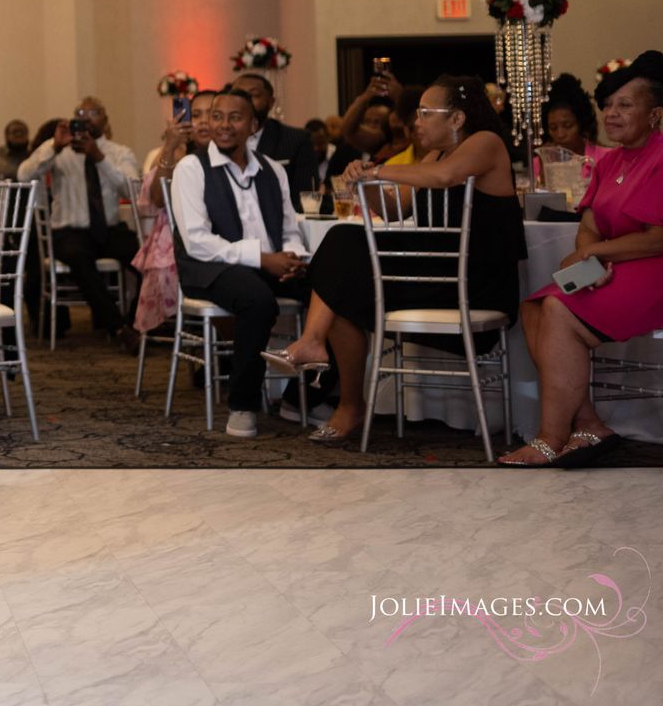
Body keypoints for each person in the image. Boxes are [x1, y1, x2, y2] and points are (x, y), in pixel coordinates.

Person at [284, 76, 525, 446]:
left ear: (457, 119)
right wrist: (365, 185)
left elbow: (446, 178)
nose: (417, 122)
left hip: (478, 281)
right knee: (342, 261)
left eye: (427, 113)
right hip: (437, 271)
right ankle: (337, 382)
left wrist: (377, 170)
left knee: (342, 256)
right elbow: (395, 210)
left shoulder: (485, 143)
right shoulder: (433, 156)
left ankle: (320, 356)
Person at [503, 52, 663, 467]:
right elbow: (590, 222)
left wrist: (594, 253)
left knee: (558, 307)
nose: (611, 113)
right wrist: (587, 256)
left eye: (625, 105)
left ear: (655, 114)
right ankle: (589, 423)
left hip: (653, 268)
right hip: (615, 265)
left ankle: (549, 438)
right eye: (608, 105)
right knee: (534, 305)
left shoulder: (661, 157)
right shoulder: (609, 161)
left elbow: (655, 240)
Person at [169, 89, 309, 437]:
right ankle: (243, 405)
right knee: (257, 300)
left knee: (336, 289)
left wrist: (293, 257)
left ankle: (304, 397)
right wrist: (262, 259)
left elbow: (289, 227)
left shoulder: (273, 169)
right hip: (210, 267)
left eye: (235, 117)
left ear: (254, 125)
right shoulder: (192, 167)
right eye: (217, 117)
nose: (224, 125)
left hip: (270, 263)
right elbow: (197, 241)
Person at [17, 100, 142, 350]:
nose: (86, 119)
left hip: (109, 229)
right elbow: (23, 175)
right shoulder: (58, 149)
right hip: (69, 232)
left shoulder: (119, 152)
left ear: (105, 121)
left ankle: (136, 324)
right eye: (80, 114)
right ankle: (118, 328)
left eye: (93, 114)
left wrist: (99, 158)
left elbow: (133, 189)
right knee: (78, 258)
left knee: (146, 258)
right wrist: (54, 145)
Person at [133, 90, 217, 335]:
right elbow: (157, 200)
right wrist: (169, 147)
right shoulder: (180, 154)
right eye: (196, 114)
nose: (202, 121)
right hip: (181, 242)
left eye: (210, 114)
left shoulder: (235, 155)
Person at [234, 73, 319, 195]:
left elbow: (305, 197)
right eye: (239, 94)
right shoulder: (219, 139)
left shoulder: (297, 140)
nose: (246, 100)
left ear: (271, 102)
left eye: (254, 95)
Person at [540, 73, 600, 159]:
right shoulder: (540, 163)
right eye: (553, 128)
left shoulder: (605, 158)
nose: (560, 135)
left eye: (567, 126)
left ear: (582, 124)